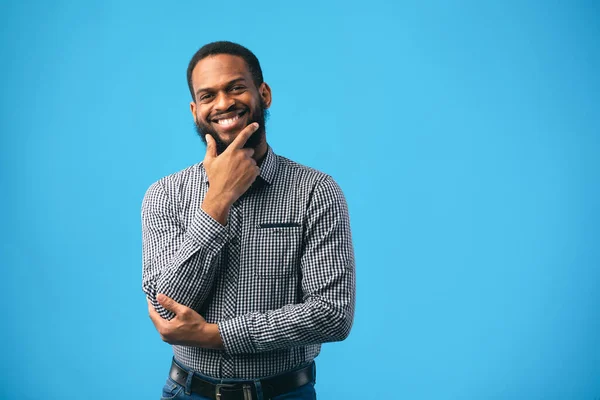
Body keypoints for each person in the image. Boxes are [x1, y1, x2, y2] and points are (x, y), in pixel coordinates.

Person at [142, 41, 356, 400]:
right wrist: (218, 200)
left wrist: (218, 335)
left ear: (264, 93)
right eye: (208, 95)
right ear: (195, 110)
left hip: (284, 394)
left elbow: (332, 313)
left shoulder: (316, 191)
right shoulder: (164, 195)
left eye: (236, 87)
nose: (224, 103)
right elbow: (168, 308)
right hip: (188, 392)